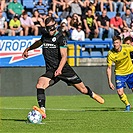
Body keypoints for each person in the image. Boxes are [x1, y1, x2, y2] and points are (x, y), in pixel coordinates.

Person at [22, 17, 104, 119]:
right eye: (48, 28)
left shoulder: (61, 38)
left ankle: (92, 94)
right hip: (51, 70)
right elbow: (38, 43)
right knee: (40, 84)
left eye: (51, 28)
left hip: (64, 69)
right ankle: (42, 110)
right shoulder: (45, 37)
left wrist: (60, 69)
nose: (50, 30)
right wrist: (28, 49)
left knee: (83, 90)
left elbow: (64, 56)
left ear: (55, 26)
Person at [106, 35, 133, 111]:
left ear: (120, 43)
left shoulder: (126, 47)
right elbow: (109, 68)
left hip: (131, 71)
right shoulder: (110, 54)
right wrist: (109, 81)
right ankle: (127, 105)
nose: (115, 45)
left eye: (117, 43)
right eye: (114, 43)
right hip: (120, 74)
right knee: (120, 92)